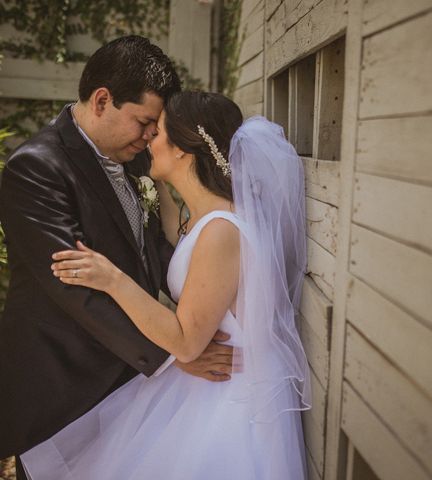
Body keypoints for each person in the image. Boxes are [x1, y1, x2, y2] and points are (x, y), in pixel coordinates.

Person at [20, 91, 311, 479]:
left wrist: (112, 278)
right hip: (207, 386)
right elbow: (181, 236)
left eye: (156, 134)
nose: (147, 141)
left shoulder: (222, 231)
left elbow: (187, 341)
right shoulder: (205, 218)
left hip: (230, 400)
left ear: (182, 152)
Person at [0, 37, 234, 478]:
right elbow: (75, 290)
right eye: (144, 121)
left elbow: (153, 256)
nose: (150, 136)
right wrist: (174, 354)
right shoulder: (36, 168)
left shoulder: (131, 161)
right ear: (103, 100)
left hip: (123, 385)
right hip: (63, 383)